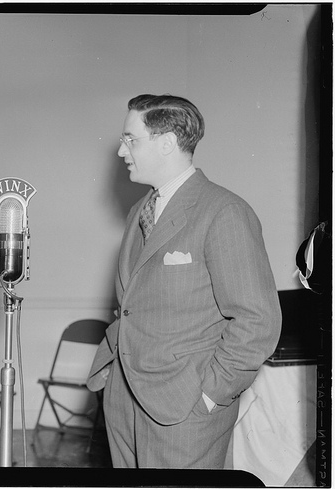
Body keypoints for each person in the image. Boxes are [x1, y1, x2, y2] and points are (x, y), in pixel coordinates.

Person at [87, 94, 282, 469]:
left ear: (166, 143)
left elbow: (258, 321)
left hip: (184, 410)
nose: (120, 151)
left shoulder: (224, 212)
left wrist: (210, 396)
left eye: (131, 139)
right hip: (123, 402)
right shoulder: (137, 213)